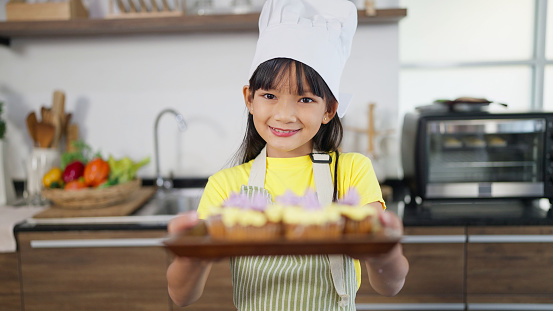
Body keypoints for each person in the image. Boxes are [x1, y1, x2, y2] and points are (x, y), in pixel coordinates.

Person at [166, 0, 409, 309]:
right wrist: (190, 254)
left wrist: (385, 250)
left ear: (329, 109)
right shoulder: (225, 186)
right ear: (249, 99)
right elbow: (181, 296)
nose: (284, 115)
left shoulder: (350, 171)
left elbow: (389, 285)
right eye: (269, 95)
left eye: (305, 99)